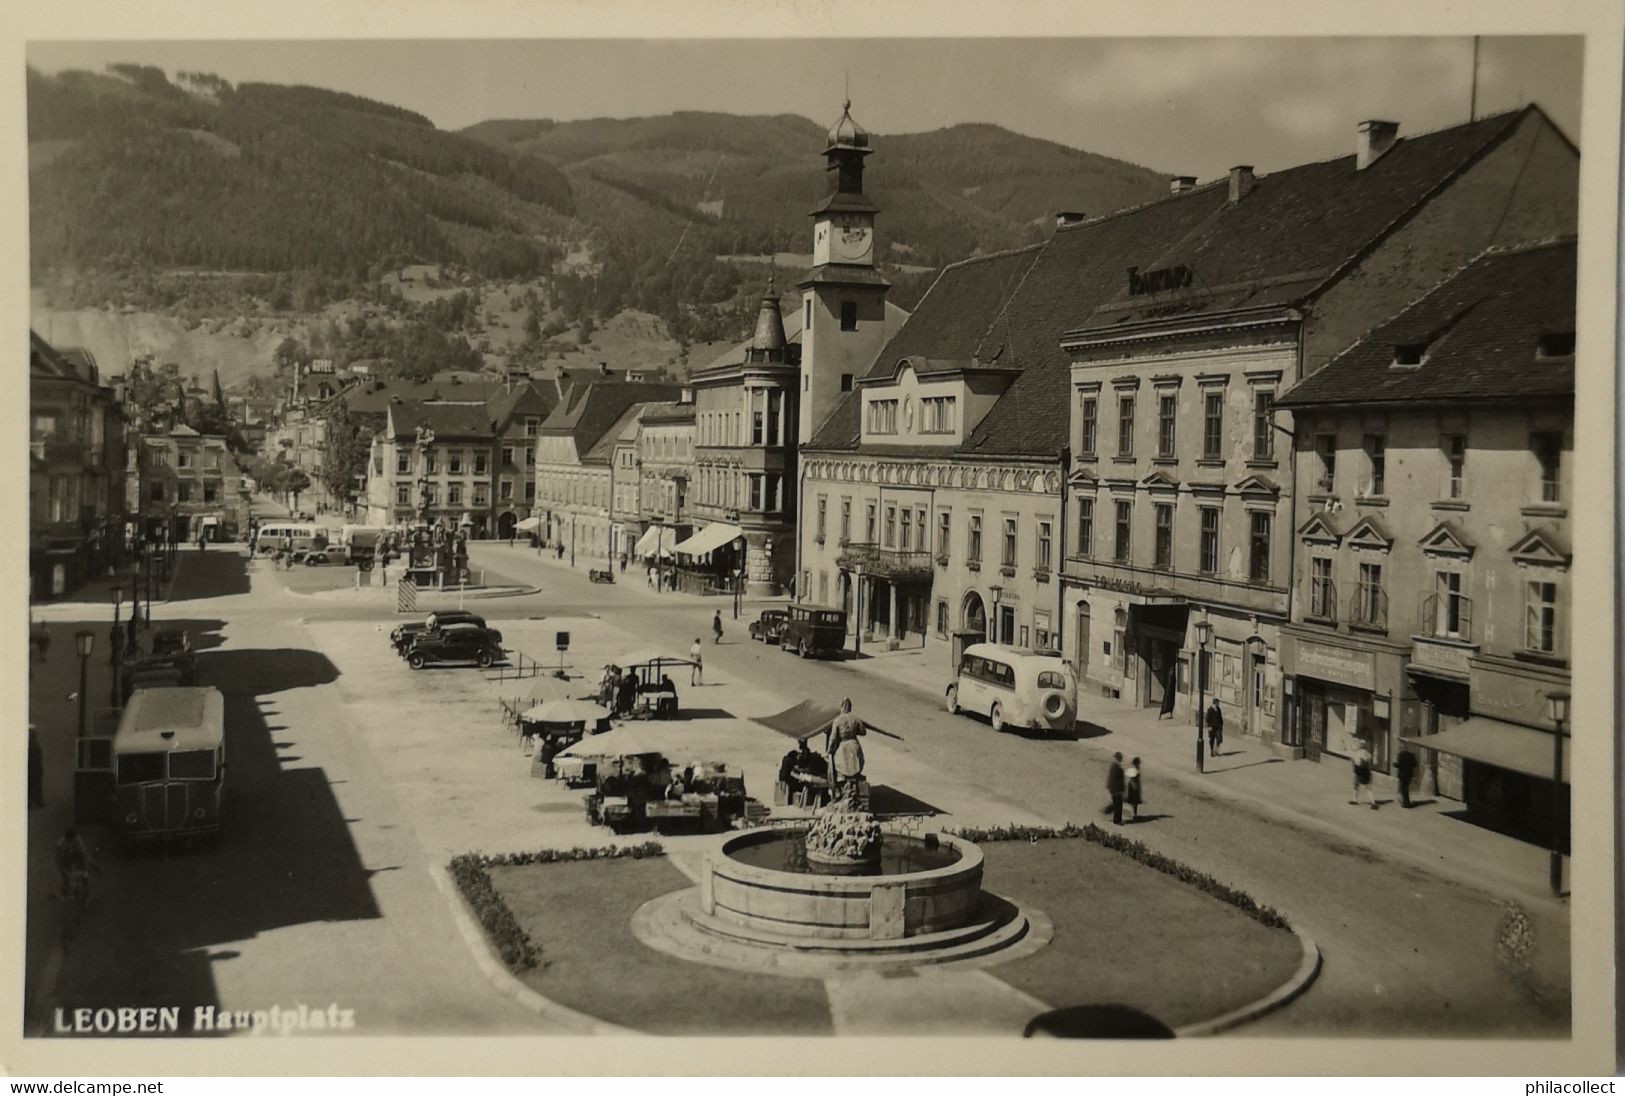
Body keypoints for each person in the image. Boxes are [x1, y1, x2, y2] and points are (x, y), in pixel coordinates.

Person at [828, 698, 866, 787]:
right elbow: (863, 732)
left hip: (844, 746)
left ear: (841, 707)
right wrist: (854, 730)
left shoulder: (837, 721)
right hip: (854, 744)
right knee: (856, 765)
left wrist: (829, 750)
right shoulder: (856, 719)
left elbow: (833, 738)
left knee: (841, 766)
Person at [55, 828, 92, 895]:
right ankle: (68, 889)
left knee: (83, 872)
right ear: (67, 839)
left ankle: (85, 886)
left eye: (74, 839)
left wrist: (85, 864)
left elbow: (83, 851)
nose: (74, 841)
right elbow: (59, 859)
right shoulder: (60, 844)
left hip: (76, 855)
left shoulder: (77, 838)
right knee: (66, 875)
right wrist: (65, 870)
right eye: (71, 840)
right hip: (65, 857)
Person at [1351, 744, 1378, 809]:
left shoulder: (1357, 753)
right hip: (1367, 772)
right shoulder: (1368, 754)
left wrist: (1353, 763)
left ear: (1360, 747)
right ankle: (1373, 803)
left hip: (1359, 772)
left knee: (1355, 786)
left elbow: (1355, 762)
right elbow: (1369, 761)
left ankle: (1355, 800)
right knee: (1368, 788)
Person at [1106, 752, 1126, 826]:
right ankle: (1117, 821)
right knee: (1118, 805)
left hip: (1114, 789)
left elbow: (1111, 779)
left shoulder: (1114, 766)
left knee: (1117, 804)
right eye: (1120, 758)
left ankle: (1115, 819)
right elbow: (1116, 779)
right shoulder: (1117, 767)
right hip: (1117, 789)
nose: (1121, 759)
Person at [28, 726, 44, 809]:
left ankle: (35, 802)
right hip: (34, 769)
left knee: (32, 786)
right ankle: (37, 802)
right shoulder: (34, 744)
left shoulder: (32, 744)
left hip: (33, 769)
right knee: (35, 786)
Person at [1124, 756, 1143, 822]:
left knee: (1134, 802)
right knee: (1134, 802)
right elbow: (1132, 780)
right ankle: (1133, 815)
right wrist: (1135, 788)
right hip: (1133, 787)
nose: (1139, 765)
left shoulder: (1134, 769)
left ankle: (1134, 814)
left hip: (1134, 786)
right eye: (1138, 763)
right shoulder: (1134, 770)